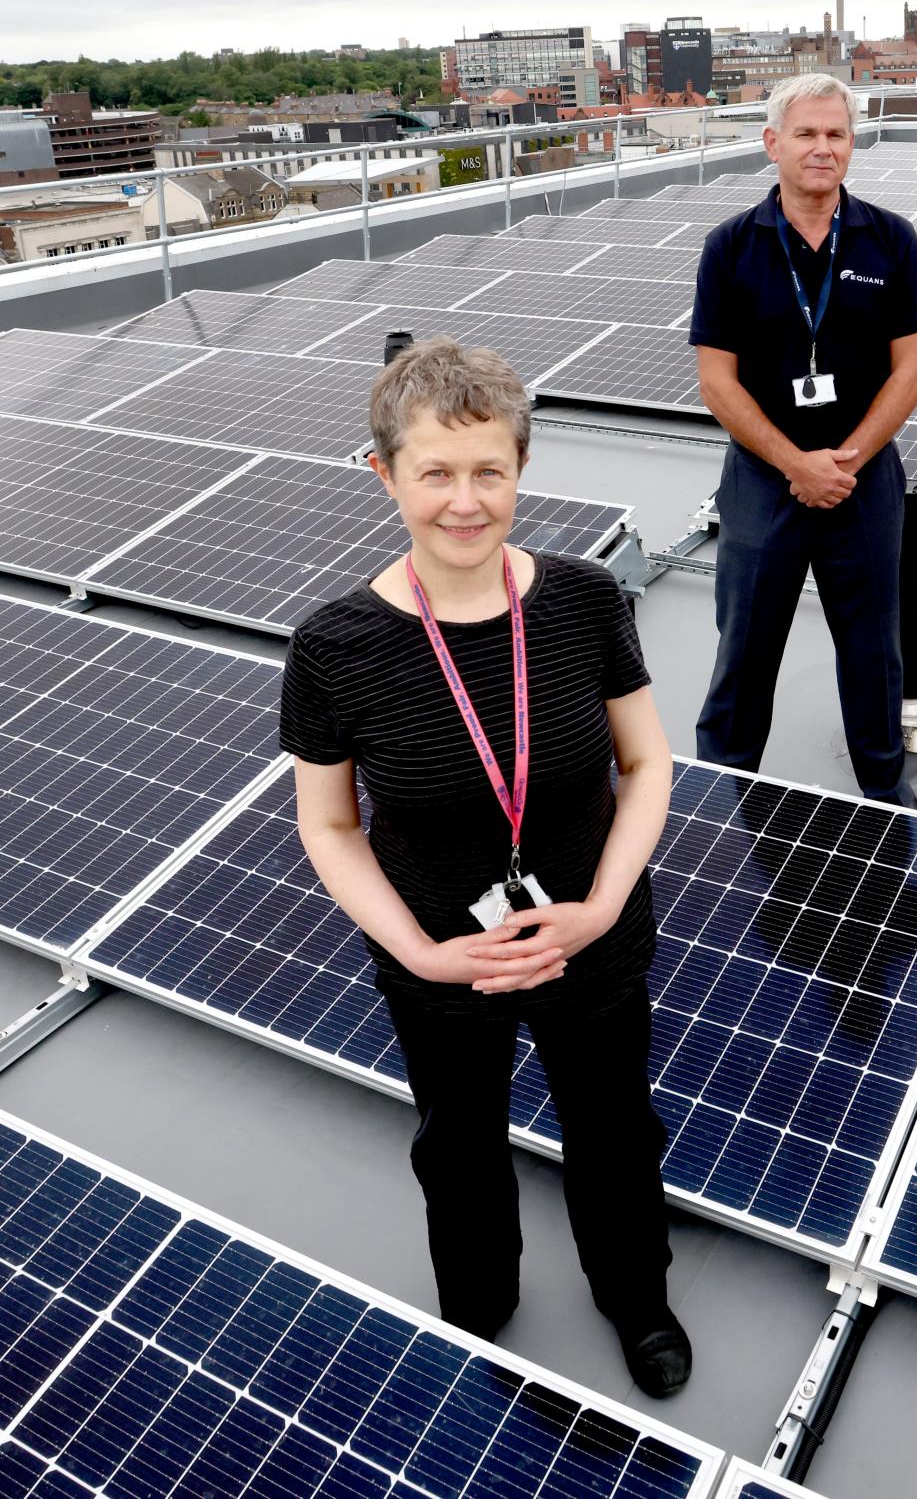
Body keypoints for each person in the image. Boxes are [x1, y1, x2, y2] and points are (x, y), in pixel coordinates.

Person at [279, 338, 692, 1396]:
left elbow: (646, 765)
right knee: (457, 1147)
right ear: (384, 474)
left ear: (519, 470)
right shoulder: (335, 647)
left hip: (591, 945)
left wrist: (599, 909)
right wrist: (421, 951)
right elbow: (328, 827)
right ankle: (477, 1302)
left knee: (612, 1131)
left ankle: (635, 1296)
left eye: (488, 471)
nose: (464, 502)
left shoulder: (586, 601)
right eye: (434, 472)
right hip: (441, 965)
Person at [691, 71, 917, 807]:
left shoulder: (890, 240)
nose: (822, 148)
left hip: (863, 483)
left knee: (873, 652)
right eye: (806, 133)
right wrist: (797, 463)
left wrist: (845, 460)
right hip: (764, 482)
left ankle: (885, 787)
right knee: (745, 649)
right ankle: (722, 787)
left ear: (852, 145)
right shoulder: (731, 248)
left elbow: (912, 369)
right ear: (772, 144)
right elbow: (717, 382)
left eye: (836, 134)